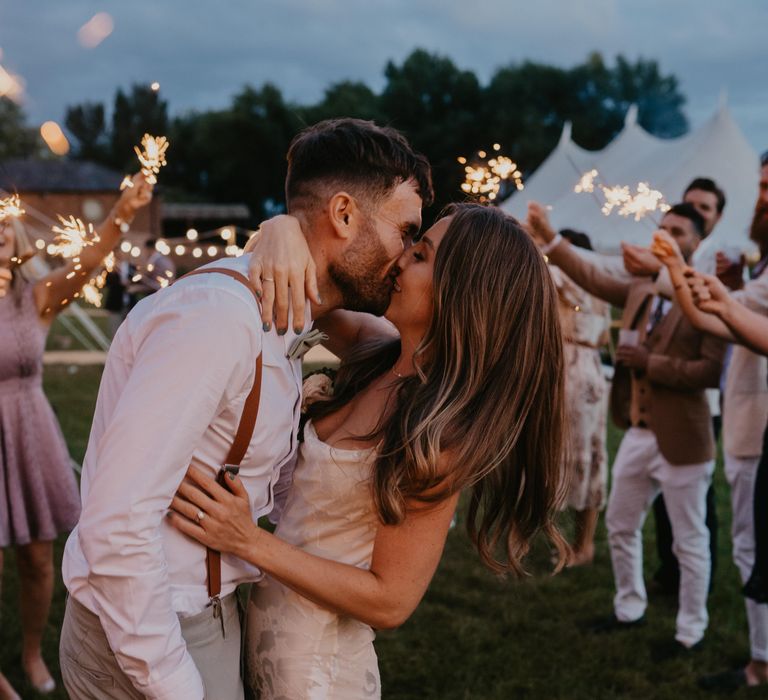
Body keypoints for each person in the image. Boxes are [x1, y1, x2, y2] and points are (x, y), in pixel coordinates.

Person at [58, 118, 433, 700]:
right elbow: (116, 523)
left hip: (209, 611)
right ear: (343, 214)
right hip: (149, 631)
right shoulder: (219, 318)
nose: (406, 255)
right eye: (406, 231)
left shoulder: (290, 311)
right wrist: (177, 682)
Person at [168, 203, 569, 699]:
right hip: (264, 639)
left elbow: (391, 602)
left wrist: (249, 542)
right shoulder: (376, 353)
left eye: (420, 255)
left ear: (464, 294)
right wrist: (280, 229)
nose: (399, 260)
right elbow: (299, 281)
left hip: (319, 671)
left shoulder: (437, 434)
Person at [527, 201, 727, 653]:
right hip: (638, 431)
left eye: (679, 231)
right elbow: (592, 276)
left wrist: (651, 364)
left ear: (697, 241)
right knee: (619, 523)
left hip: (683, 437)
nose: (668, 236)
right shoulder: (641, 288)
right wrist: (550, 236)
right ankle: (629, 608)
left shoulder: (704, 292)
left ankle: (691, 631)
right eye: (665, 227)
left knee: (689, 540)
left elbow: (711, 372)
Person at [0, 173, 152, 700]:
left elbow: (86, 264)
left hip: (28, 427)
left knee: (38, 558)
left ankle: (30, 653)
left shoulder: (35, 296)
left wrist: (122, 213)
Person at [652, 151, 768, 689]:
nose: (762, 198)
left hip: (750, 420)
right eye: (762, 187)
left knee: (747, 543)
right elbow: (709, 315)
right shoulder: (760, 265)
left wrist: (723, 301)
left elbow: (728, 321)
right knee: (750, 544)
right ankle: (760, 660)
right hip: (755, 425)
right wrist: (679, 270)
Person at [622, 177, 727, 596]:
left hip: (695, 415)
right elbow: (603, 274)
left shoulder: (716, 272)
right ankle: (661, 581)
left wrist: (651, 362)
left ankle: (693, 604)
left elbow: (708, 367)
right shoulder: (652, 273)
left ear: (714, 222)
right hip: (643, 422)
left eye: (704, 208)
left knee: (694, 519)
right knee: (641, 518)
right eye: (689, 205)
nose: (693, 212)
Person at [553, 229, 611, 566]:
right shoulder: (599, 281)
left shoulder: (567, 275)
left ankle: (578, 545)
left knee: (572, 452)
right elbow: (604, 334)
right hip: (591, 368)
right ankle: (579, 543)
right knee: (590, 452)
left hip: (569, 369)